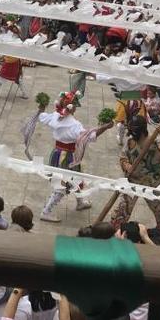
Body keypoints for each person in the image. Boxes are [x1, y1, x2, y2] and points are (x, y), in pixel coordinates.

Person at [36, 91, 113, 222]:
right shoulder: (74, 124)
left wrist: (42, 105)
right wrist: (105, 127)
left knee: (76, 178)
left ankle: (80, 202)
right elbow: (90, 137)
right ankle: (46, 211)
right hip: (67, 157)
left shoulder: (55, 116)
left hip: (57, 153)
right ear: (73, 107)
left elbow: (42, 116)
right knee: (62, 184)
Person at [110, 115, 160, 236]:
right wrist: (127, 165)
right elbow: (123, 157)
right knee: (122, 209)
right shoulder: (130, 142)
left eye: (134, 131)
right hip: (132, 182)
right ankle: (115, 231)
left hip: (152, 184)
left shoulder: (156, 143)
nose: (132, 134)